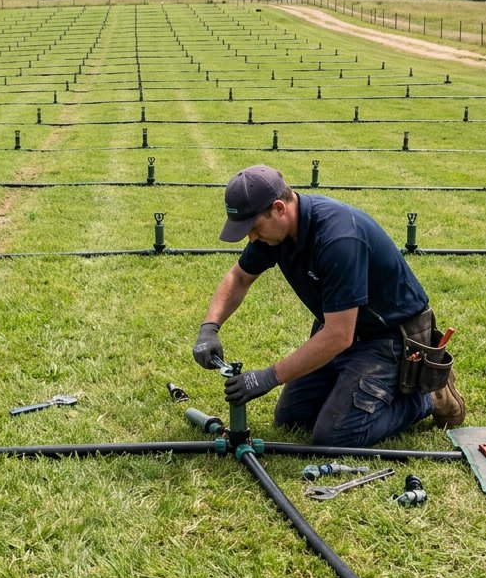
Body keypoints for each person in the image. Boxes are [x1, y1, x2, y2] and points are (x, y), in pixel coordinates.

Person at [192, 164, 464, 447]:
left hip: (389, 339)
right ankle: (351, 385)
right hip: (344, 330)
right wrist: (209, 329)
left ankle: (428, 397)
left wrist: (268, 377)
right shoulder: (274, 232)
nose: (251, 237)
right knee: (291, 418)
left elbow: (338, 335)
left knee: (335, 435)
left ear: (279, 208)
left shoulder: (338, 238)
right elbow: (238, 278)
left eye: (253, 227)